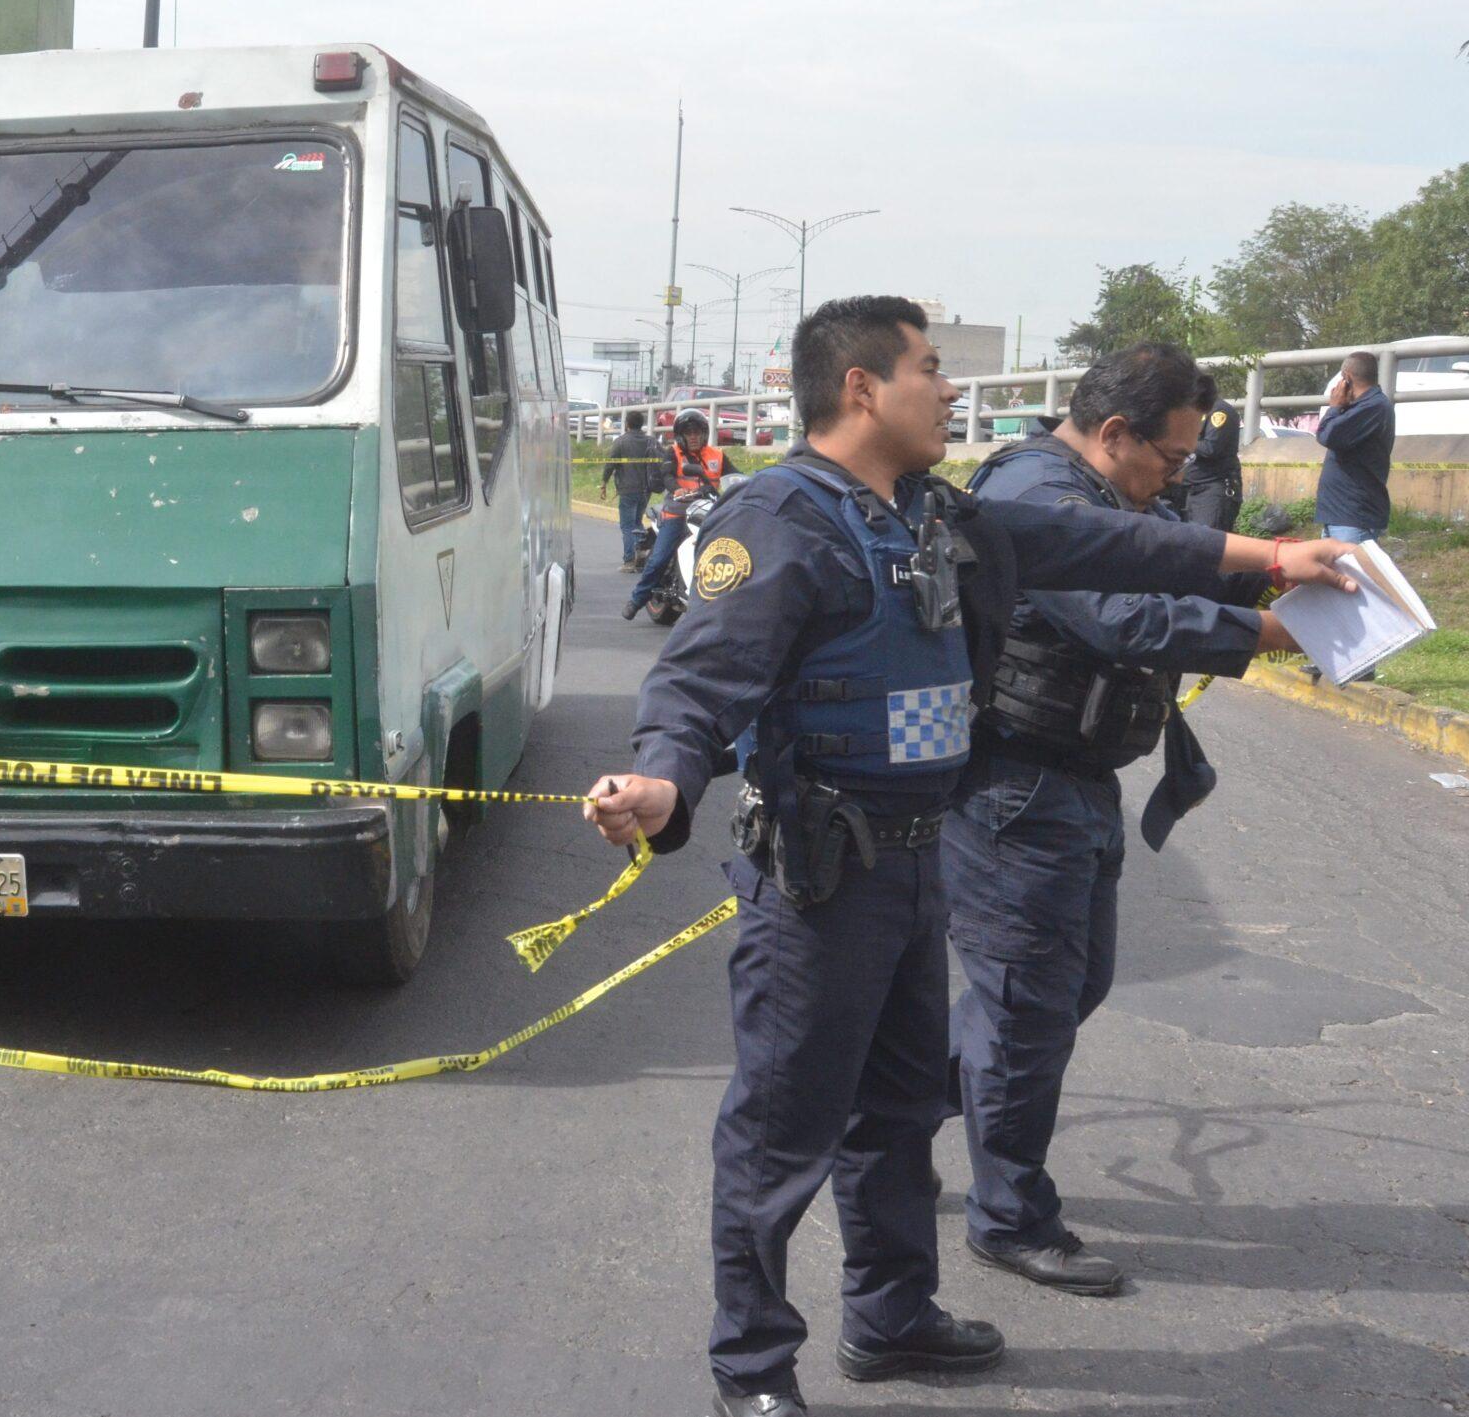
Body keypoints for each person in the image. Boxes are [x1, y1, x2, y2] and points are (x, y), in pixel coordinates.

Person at [581, 296, 1357, 1416]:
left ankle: (891, 1315)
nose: (951, 391)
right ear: (860, 388)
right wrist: (660, 778)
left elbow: (1111, 539)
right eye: (931, 369)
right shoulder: (782, 517)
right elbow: (701, 679)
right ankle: (749, 1369)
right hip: (819, 877)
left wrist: (1274, 553)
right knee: (779, 1133)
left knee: (897, 1113)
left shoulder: (936, 514)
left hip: (918, 860)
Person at [942, 343, 1299, 1300]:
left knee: (1066, 989)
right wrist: (1266, 631)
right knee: (1027, 1011)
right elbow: (1123, 617)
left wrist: (1264, 583)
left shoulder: (1104, 495)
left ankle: (888, 1106)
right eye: (1171, 459)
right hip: (1016, 786)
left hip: (1076, 780)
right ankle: (1010, 1215)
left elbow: (1165, 578)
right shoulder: (1034, 495)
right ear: (1112, 434)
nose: (1176, 478)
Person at [623, 407, 726, 618]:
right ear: (681, 435)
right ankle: (637, 599)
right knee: (659, 559)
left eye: (697, 432)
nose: (694, 437)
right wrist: (677, 489)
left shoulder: (717, 455)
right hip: (677, 513)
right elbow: (667, 476)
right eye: (689, 433)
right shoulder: (673, 453)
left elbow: (734, 476)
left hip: (707, 512)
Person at [1316, 350, 1393, 546]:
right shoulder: (1359, 407)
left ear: (1346, 378)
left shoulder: (1372, 407)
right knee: (1334, 577)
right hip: (1339, 515)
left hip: (1353, 517)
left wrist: (1334, 407)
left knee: (1354, 576)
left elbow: (1328, 435)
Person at [1182, 377, 1244, 533]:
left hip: (1212, 491)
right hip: (1193, 489)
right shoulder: (1196, 412)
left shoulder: (1219, 411)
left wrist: (1181, 440)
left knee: (1207, 545)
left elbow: (1211, 448)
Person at [601, 416, 664, 571]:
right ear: (641, 424)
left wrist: (604, 483)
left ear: (627, 424)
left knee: (628, 525)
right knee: (637, 523)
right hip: (646, 490)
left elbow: (610, 465)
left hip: (628, 489)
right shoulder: (651, 441)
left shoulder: (621, 442)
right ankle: (641, 559)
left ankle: (629, 561)